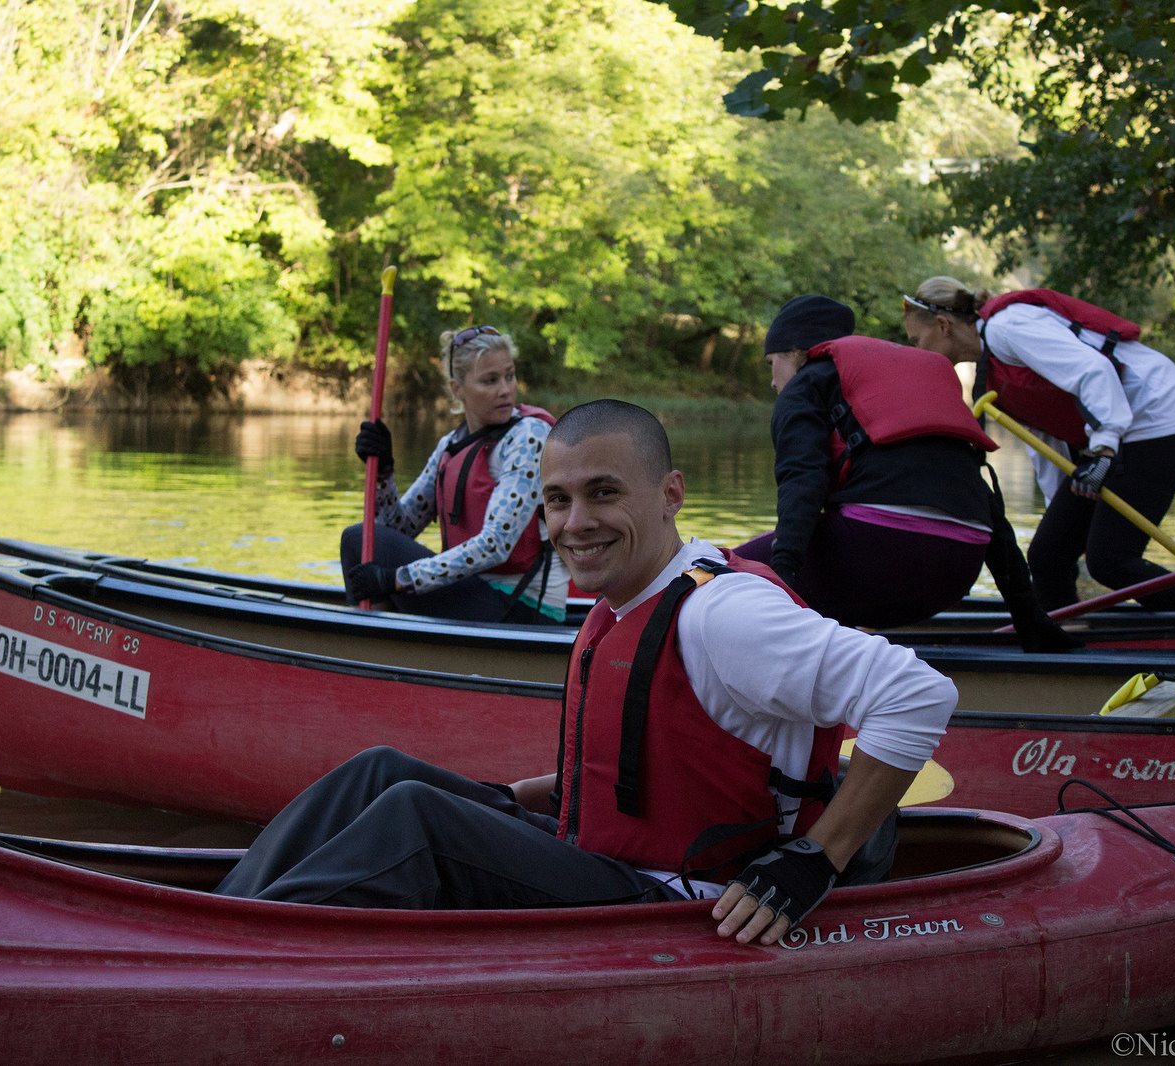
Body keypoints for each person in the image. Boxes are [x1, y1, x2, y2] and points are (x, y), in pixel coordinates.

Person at [217, 399, 957, 947]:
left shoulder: (723, 614)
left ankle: (233, 954)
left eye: (604, 493)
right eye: (558, 500)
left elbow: (917, 693)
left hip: (681, 901)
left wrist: (815, 860)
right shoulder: (628, 597)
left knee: (418, 821)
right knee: (378, 773)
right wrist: (511, 798)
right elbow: (642, 766)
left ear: (670, 494)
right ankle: (217, 919)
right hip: (604, 858)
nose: (575, 524)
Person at [734, 293, 1076, 650]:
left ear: (795, 353)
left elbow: (802, 483)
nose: (772, 382)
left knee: (715, 570)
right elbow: (988, 507)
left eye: (771, 363)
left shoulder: (804, 386)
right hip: (957, 571)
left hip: (880, 559)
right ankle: (835, 650)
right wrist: (1029, 616)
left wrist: (783, 578)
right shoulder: (908, 384)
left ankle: (790, 663)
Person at [903, 277, 1175, 613]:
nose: (917, 350)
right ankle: (1066, 632)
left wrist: (1104, 449)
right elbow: (1046, 441)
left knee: (1111, 561)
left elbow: (1094, 370)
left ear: (943, 325)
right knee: (1048, 556)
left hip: (1159, 416)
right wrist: (1059, 519)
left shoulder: (1007, 327)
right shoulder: (991, 370)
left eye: (917, 340)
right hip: (1122, 432)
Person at [340, 325, 568, 624]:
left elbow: (496, 545)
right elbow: (396, 529)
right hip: (475, 594)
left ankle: (371, 634)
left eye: (509, 376)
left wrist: (397, 579)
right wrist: (384, 472)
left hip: (522, 608)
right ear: (457, 389)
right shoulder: (450, 445)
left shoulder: (529, 435)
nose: (505, 389)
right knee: (359, 539)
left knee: (358, 539)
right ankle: (375, 632)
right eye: (490, 380)